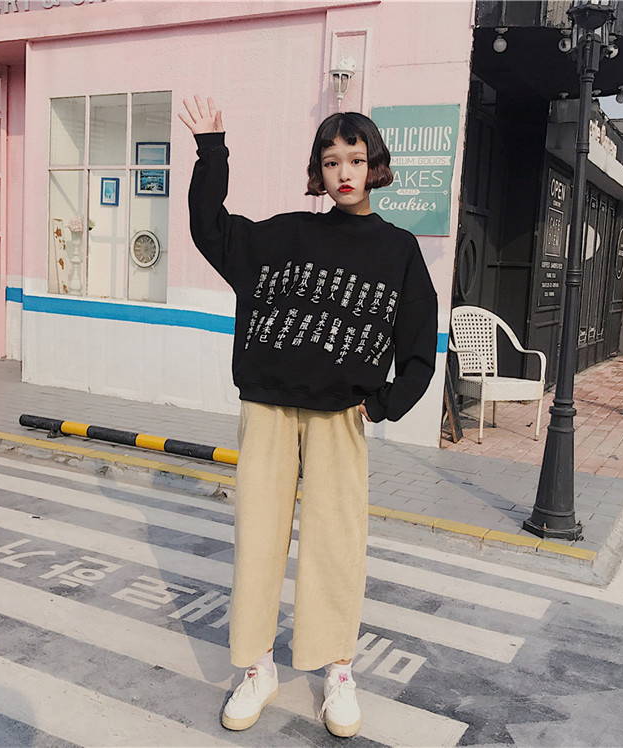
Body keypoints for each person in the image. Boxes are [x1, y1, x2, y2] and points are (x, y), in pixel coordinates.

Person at [179, 95, 438, 738]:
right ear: (317, 171)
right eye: (331, 161)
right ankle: (258, 666)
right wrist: (212, 150)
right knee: (258, 538)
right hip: (267, 409)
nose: (344, 172)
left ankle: (338, 670)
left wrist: (384, 403)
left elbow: (419, 344)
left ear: (376, 167)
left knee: (337, 542)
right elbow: (211, 228)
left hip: (339, 419)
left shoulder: (399, 250)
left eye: (356, 159)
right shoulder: (286, 235)